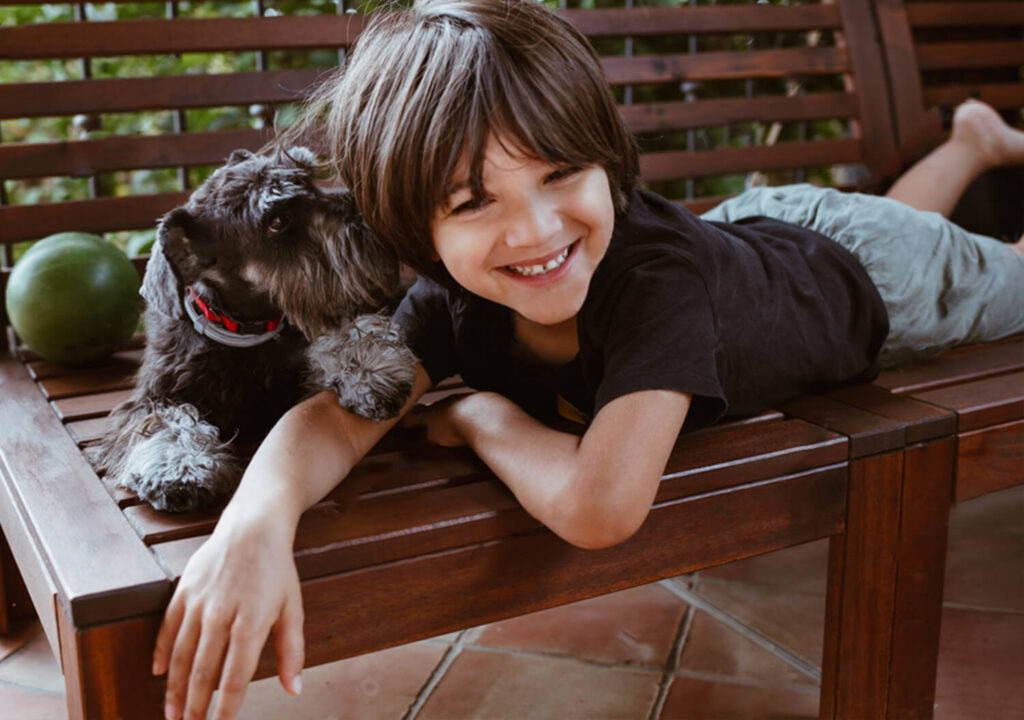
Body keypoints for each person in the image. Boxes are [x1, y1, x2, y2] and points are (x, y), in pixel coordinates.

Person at [151, 1, 1024, 718]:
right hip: (765, 241)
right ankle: (974, 143)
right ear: (419, 232)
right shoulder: (458, 296)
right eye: (472, 201)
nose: (533, 230)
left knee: (992, 272)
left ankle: (981, 175)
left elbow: (601, 507)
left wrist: (483, 415)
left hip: (875, 284)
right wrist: (256, 522)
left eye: (562, 172)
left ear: (607, 160)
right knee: (894, 222)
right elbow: (339, 417)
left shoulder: (653, 285)